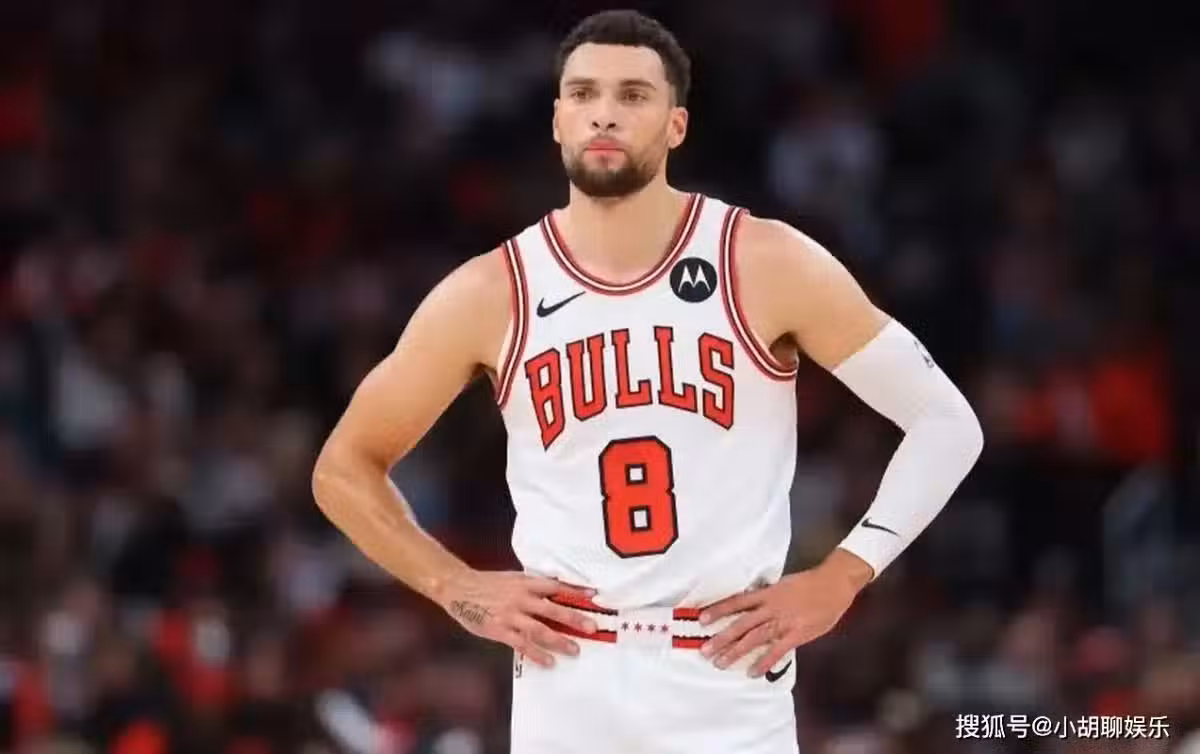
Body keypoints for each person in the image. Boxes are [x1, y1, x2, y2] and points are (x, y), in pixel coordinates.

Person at [311, 9, 984, 753]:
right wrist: (455, 585)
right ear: (558, 121)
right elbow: (343, 469)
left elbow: (946, 423)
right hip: (568, 677)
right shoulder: (491, 291)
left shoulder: (764, 261)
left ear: (676, 125)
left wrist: (844, 576)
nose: (605, 113)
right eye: (583, 94)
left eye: (633, 95)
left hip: (726, 672)